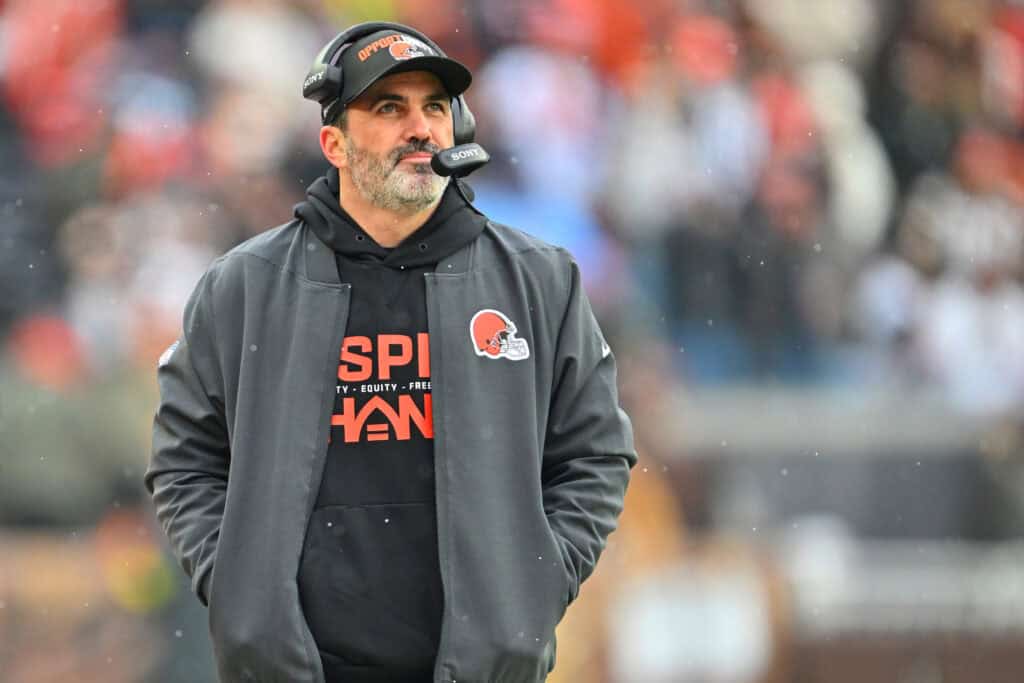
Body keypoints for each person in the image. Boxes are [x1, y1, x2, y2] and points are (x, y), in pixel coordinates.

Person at [145, 21, 636, 683]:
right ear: (334, 144)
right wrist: (239, 590)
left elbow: (595, 454)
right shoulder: (243, 287)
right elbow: (184, 458)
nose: (421, 127)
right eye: (388, 108)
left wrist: (534, 586)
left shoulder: (538, 281)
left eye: (434, 107)